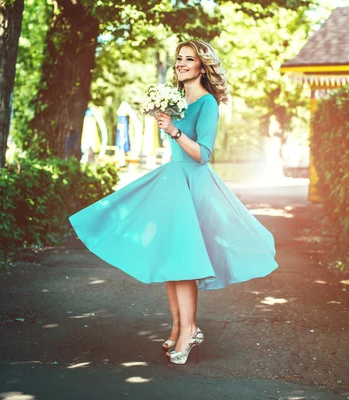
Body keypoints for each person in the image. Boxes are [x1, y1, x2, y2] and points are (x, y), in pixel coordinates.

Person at [69, 40, 278, 365]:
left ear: (201, 66)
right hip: (171, 183)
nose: (181, 64)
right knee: (171, 260)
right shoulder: (178, 100)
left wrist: (175, 131)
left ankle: (191, 329)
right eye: (178, 58)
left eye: (188, 59)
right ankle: (178, 325)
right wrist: (166, 123)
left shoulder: (207, 103)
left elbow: (203, 155)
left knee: (184, 263)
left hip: (193, 186)